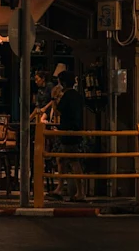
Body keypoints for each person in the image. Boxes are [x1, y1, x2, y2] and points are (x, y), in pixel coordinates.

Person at [54, 71, 86, 201]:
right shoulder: (78, 96)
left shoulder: (67, 96)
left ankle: (79, 192)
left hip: (68, 132)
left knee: (72, 161)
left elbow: (57, 112)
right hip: (76, 130)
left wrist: (53, 98)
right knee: (62, 160)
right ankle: (61, 188)